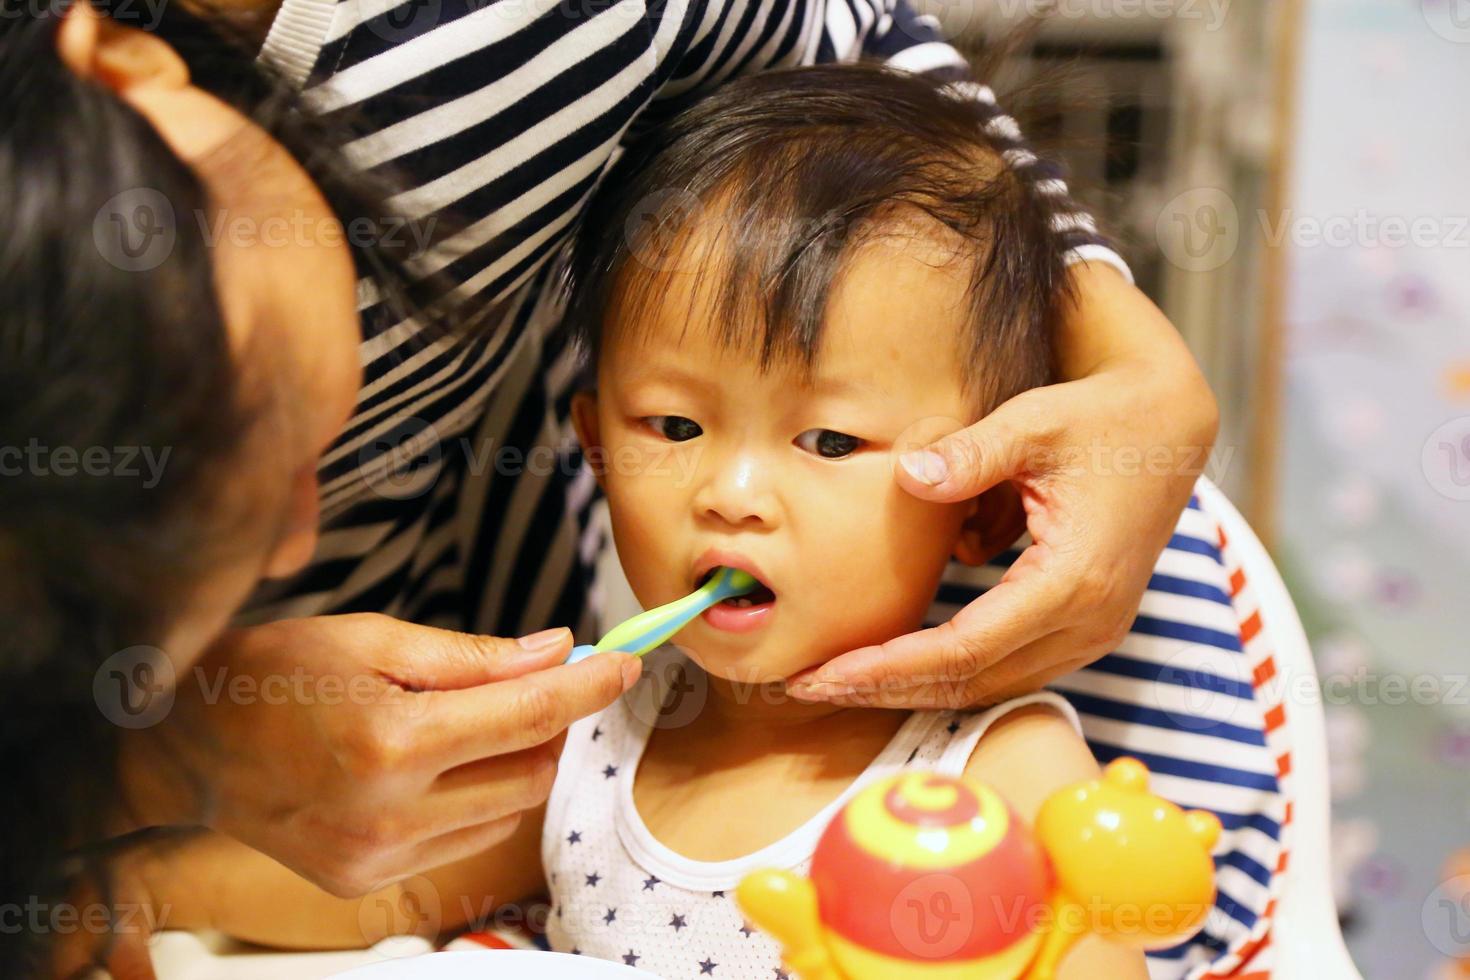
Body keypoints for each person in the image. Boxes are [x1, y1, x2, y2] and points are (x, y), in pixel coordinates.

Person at [1, 0, 1216, 971]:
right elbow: (398, 889)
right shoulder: (595, 743)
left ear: (983, 502)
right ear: (589, 440)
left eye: (830, 442)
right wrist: (122, 877)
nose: (732, 491)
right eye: (674, 425)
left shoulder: (982, 772)